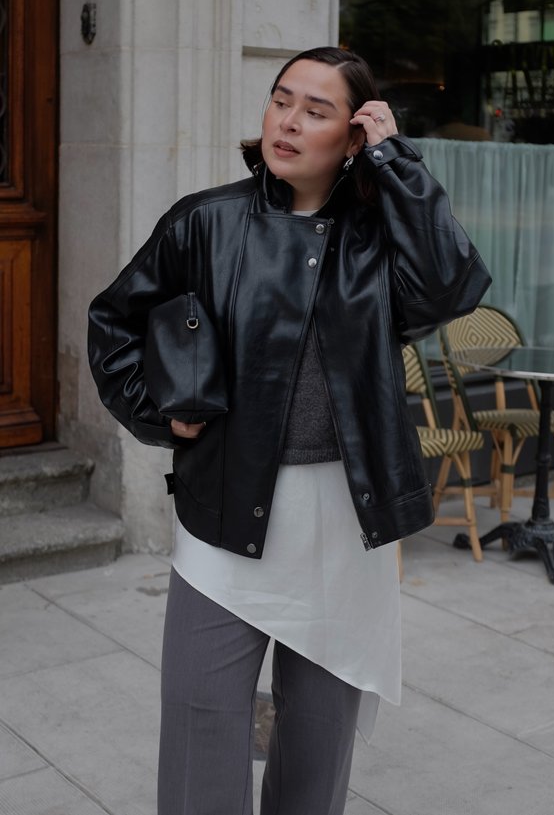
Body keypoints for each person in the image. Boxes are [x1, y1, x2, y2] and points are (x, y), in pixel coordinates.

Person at [88, 46, 491, 815]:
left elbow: (451, 284)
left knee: (316, 750)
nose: (289, 120)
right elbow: (113, 323)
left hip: (345, 524)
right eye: (281, 99)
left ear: (353, 135)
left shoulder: (379, 238)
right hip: (223, 518)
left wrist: (397, 160)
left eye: (317, 109)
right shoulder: (205, 221)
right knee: (202, 736)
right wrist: (152, 406)